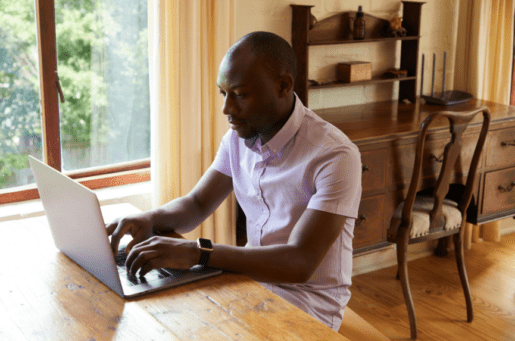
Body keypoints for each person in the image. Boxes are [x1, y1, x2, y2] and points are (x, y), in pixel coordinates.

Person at [106, 31, 362, 331]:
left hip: (307, 305)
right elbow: (197, 203)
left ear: (283, 85)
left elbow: (300, 262)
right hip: (247, 282)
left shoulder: (335, 155)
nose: (227, 109)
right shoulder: (239, 138)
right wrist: (147, 218)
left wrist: (199, 253)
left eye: (239, 94)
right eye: (223, 93)